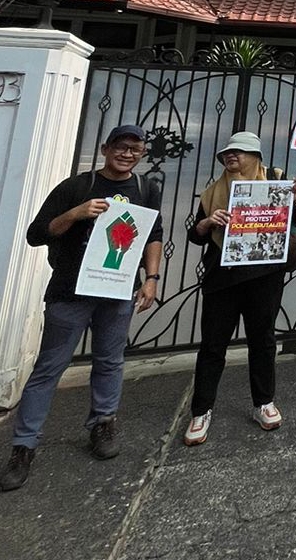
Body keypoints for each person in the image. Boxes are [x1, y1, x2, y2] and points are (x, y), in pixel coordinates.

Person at [2, 125, 163, 491]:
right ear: (105, 149)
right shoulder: (77, 187)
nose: (128, 154)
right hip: (70, 292)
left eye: (136, 149)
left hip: (118, 291)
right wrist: (75, 213)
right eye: (121, 147)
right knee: (49, 368)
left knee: (110, 360)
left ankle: (103, 424)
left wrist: (151, 278)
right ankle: (24, 446)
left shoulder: (145, 189)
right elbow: (37, 233)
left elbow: (154, 233)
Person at [182, 131, 296, 446]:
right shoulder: (212, 194)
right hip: (222, 278)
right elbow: (195, 235)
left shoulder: (275, 185)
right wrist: (206, 223)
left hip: (263, 277)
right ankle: (201, 410)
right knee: (213, 345)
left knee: (263, 340)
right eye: (227, 153)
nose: (231, 157)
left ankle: (263, 402)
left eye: (239, 152)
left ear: (255, 157)